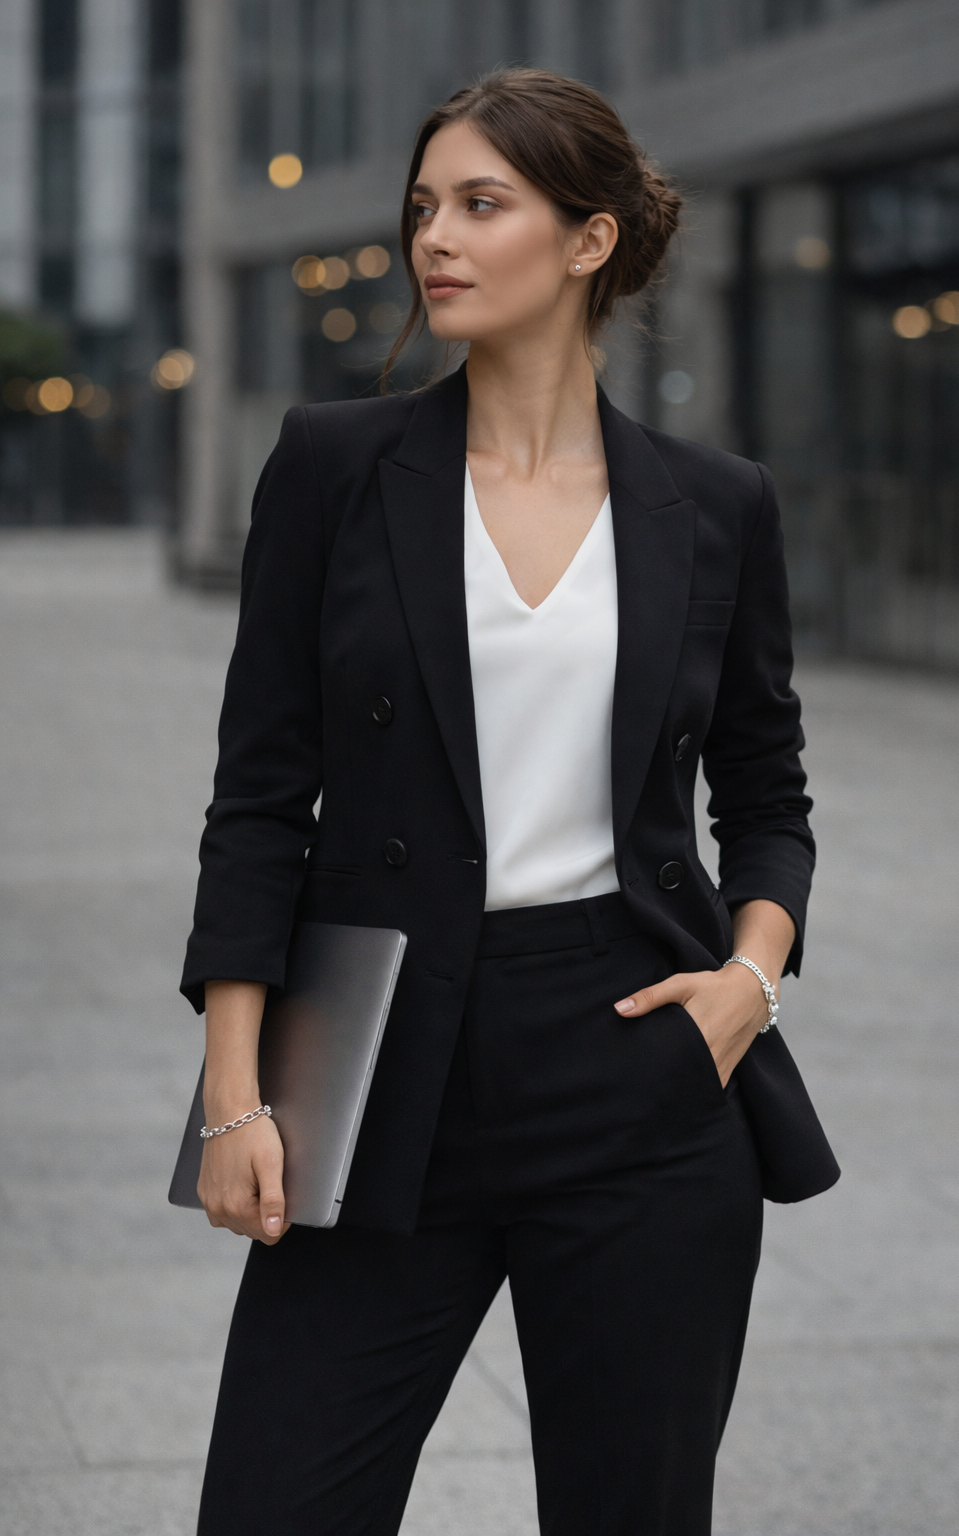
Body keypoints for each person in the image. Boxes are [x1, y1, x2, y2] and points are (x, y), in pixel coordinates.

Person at [182, 67, 837, 1536]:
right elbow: (258, 796)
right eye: (424, 208)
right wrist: (237, 1098)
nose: (437, 240)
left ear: (589, 240)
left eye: (484, 205)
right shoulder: (335, 470)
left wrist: (749, 977)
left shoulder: (713, 503)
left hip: (636, 1067)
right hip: (381, 1052)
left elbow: (768, 777)